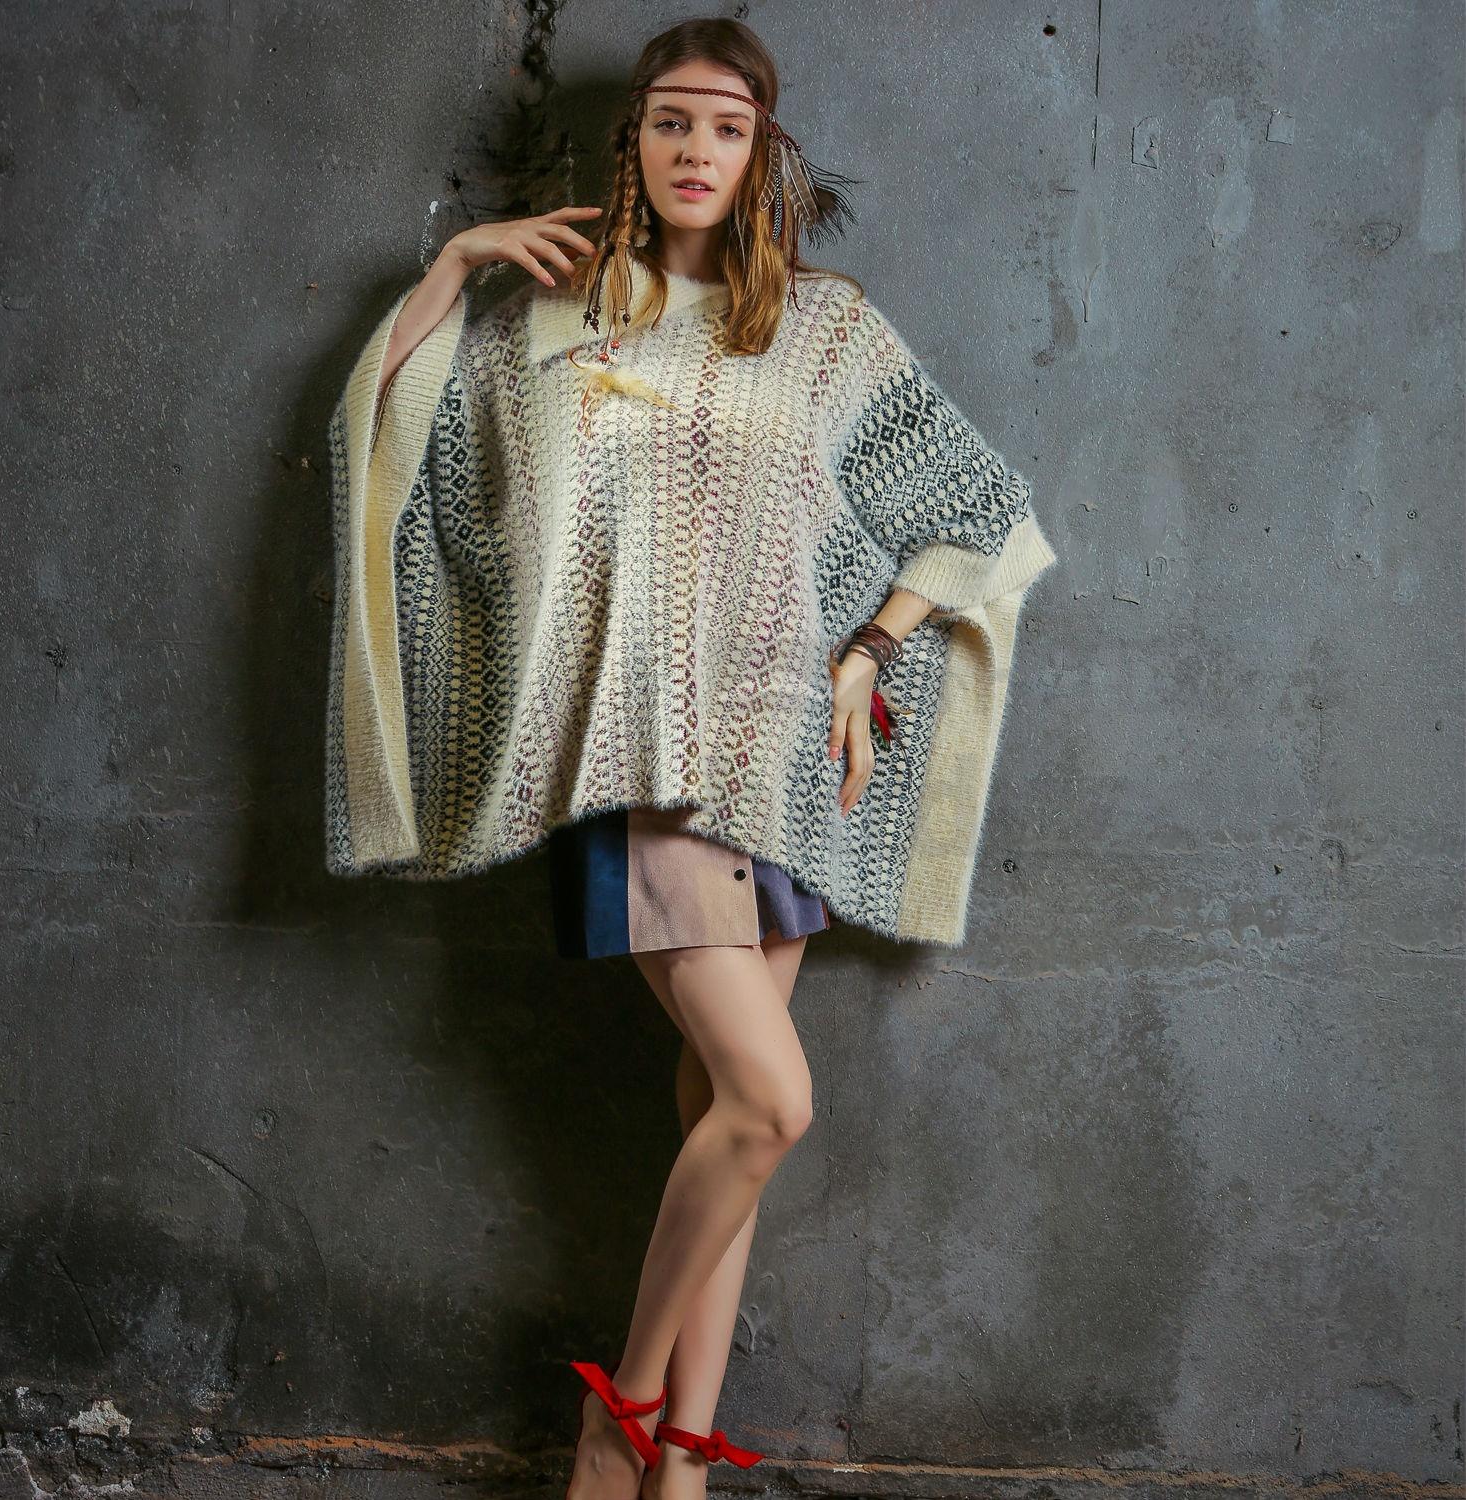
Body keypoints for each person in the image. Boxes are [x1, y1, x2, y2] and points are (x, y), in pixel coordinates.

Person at [323, 18, 1057, 1500]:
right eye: (672, 121)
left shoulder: (830, 332)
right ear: (634, 143)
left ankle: (681, 1480)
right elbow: (391, 435)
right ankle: (625, 1410)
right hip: (637, 766)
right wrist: (456, 264)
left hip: (786, 774)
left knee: (725, 1127)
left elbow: (980, 509)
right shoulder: (558, 318)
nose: (696, 149)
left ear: (762, 150)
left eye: (727, 126)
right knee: (772, 1105)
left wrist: (870, 649)